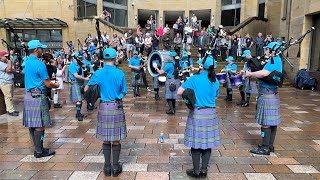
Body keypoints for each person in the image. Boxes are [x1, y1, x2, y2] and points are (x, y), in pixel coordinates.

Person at [85, 48, 127, 177]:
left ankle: (107, 167)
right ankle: (115, 167)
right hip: (116, 106)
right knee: (115, 139)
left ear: (103, 59)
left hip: (103, 107)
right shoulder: (120, 73)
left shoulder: (98, 73)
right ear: (115, 59)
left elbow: (87, 89)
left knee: (105, 139)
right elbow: (123, 92)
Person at [177, 55, 220, 178]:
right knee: (207, 144)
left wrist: (191, 95)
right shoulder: (215, 80)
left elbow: (180, 92)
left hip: (197, 113)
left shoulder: (194, 79)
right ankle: (204, 170)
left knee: (196, 144)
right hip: (211, 114)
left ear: (202, 66)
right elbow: (215, 95)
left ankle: (196, 171)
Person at [23, 40, 59, 158]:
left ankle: (38, 148)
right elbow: (48, 84)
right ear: (36, 49)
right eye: (41, 48)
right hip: (38, 96)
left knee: (32, 124)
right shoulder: (40, 64)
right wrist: (56, 85)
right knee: (40, 125)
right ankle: (39, 151)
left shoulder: (26, 62)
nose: (42, 50)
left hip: (28, 95)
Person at [244, 42, 282, 155]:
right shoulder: (276, 60)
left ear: (272, 51)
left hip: (267, 94)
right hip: (272, 94)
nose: (265, 51)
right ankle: (269, 146)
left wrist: (250, 74)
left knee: (265, 123)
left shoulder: (273, 60)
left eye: (267, 49)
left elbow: (264, 73)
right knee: (272, 122)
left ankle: (265, 147)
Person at [69, 52, 90, 121]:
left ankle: (79, 113)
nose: (80, 59)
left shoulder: (80, 65)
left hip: (81, 83)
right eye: (78, 58)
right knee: (78, 100)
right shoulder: (72, 65)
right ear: (74, 58)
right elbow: (76, 75)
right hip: (75, 83)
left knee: (80, 99)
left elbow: (85, 71)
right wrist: (85, 78)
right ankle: (78, 114)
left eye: (80, 58)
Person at [0, 51, 19, 116]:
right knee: (8, 97)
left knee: (11, 96)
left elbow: (12, 69)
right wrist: (10, 62)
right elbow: (8, 70)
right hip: (5, 82)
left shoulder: (6, 62)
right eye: (5, 56)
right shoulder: (1, 63)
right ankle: (10, 110)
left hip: (10, 81)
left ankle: (10, 109)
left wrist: (10, 64)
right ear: (1, 57)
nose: (7, 57)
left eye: (7, 56)